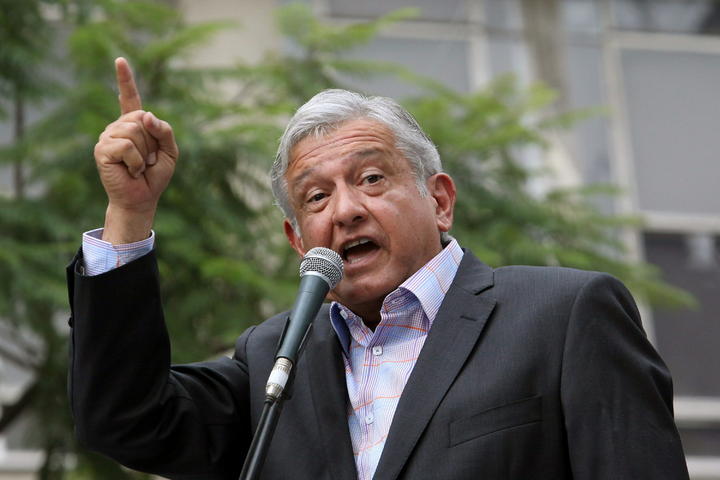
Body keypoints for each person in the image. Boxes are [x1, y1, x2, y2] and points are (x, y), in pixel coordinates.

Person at [67, 57, 690, 480]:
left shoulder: (563, 317)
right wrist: (130, 212)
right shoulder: (273, 359)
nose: (345, 210)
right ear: (297, 240)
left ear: (439, 200)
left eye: (370, 178)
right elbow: (128, 420)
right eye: (316, 197)